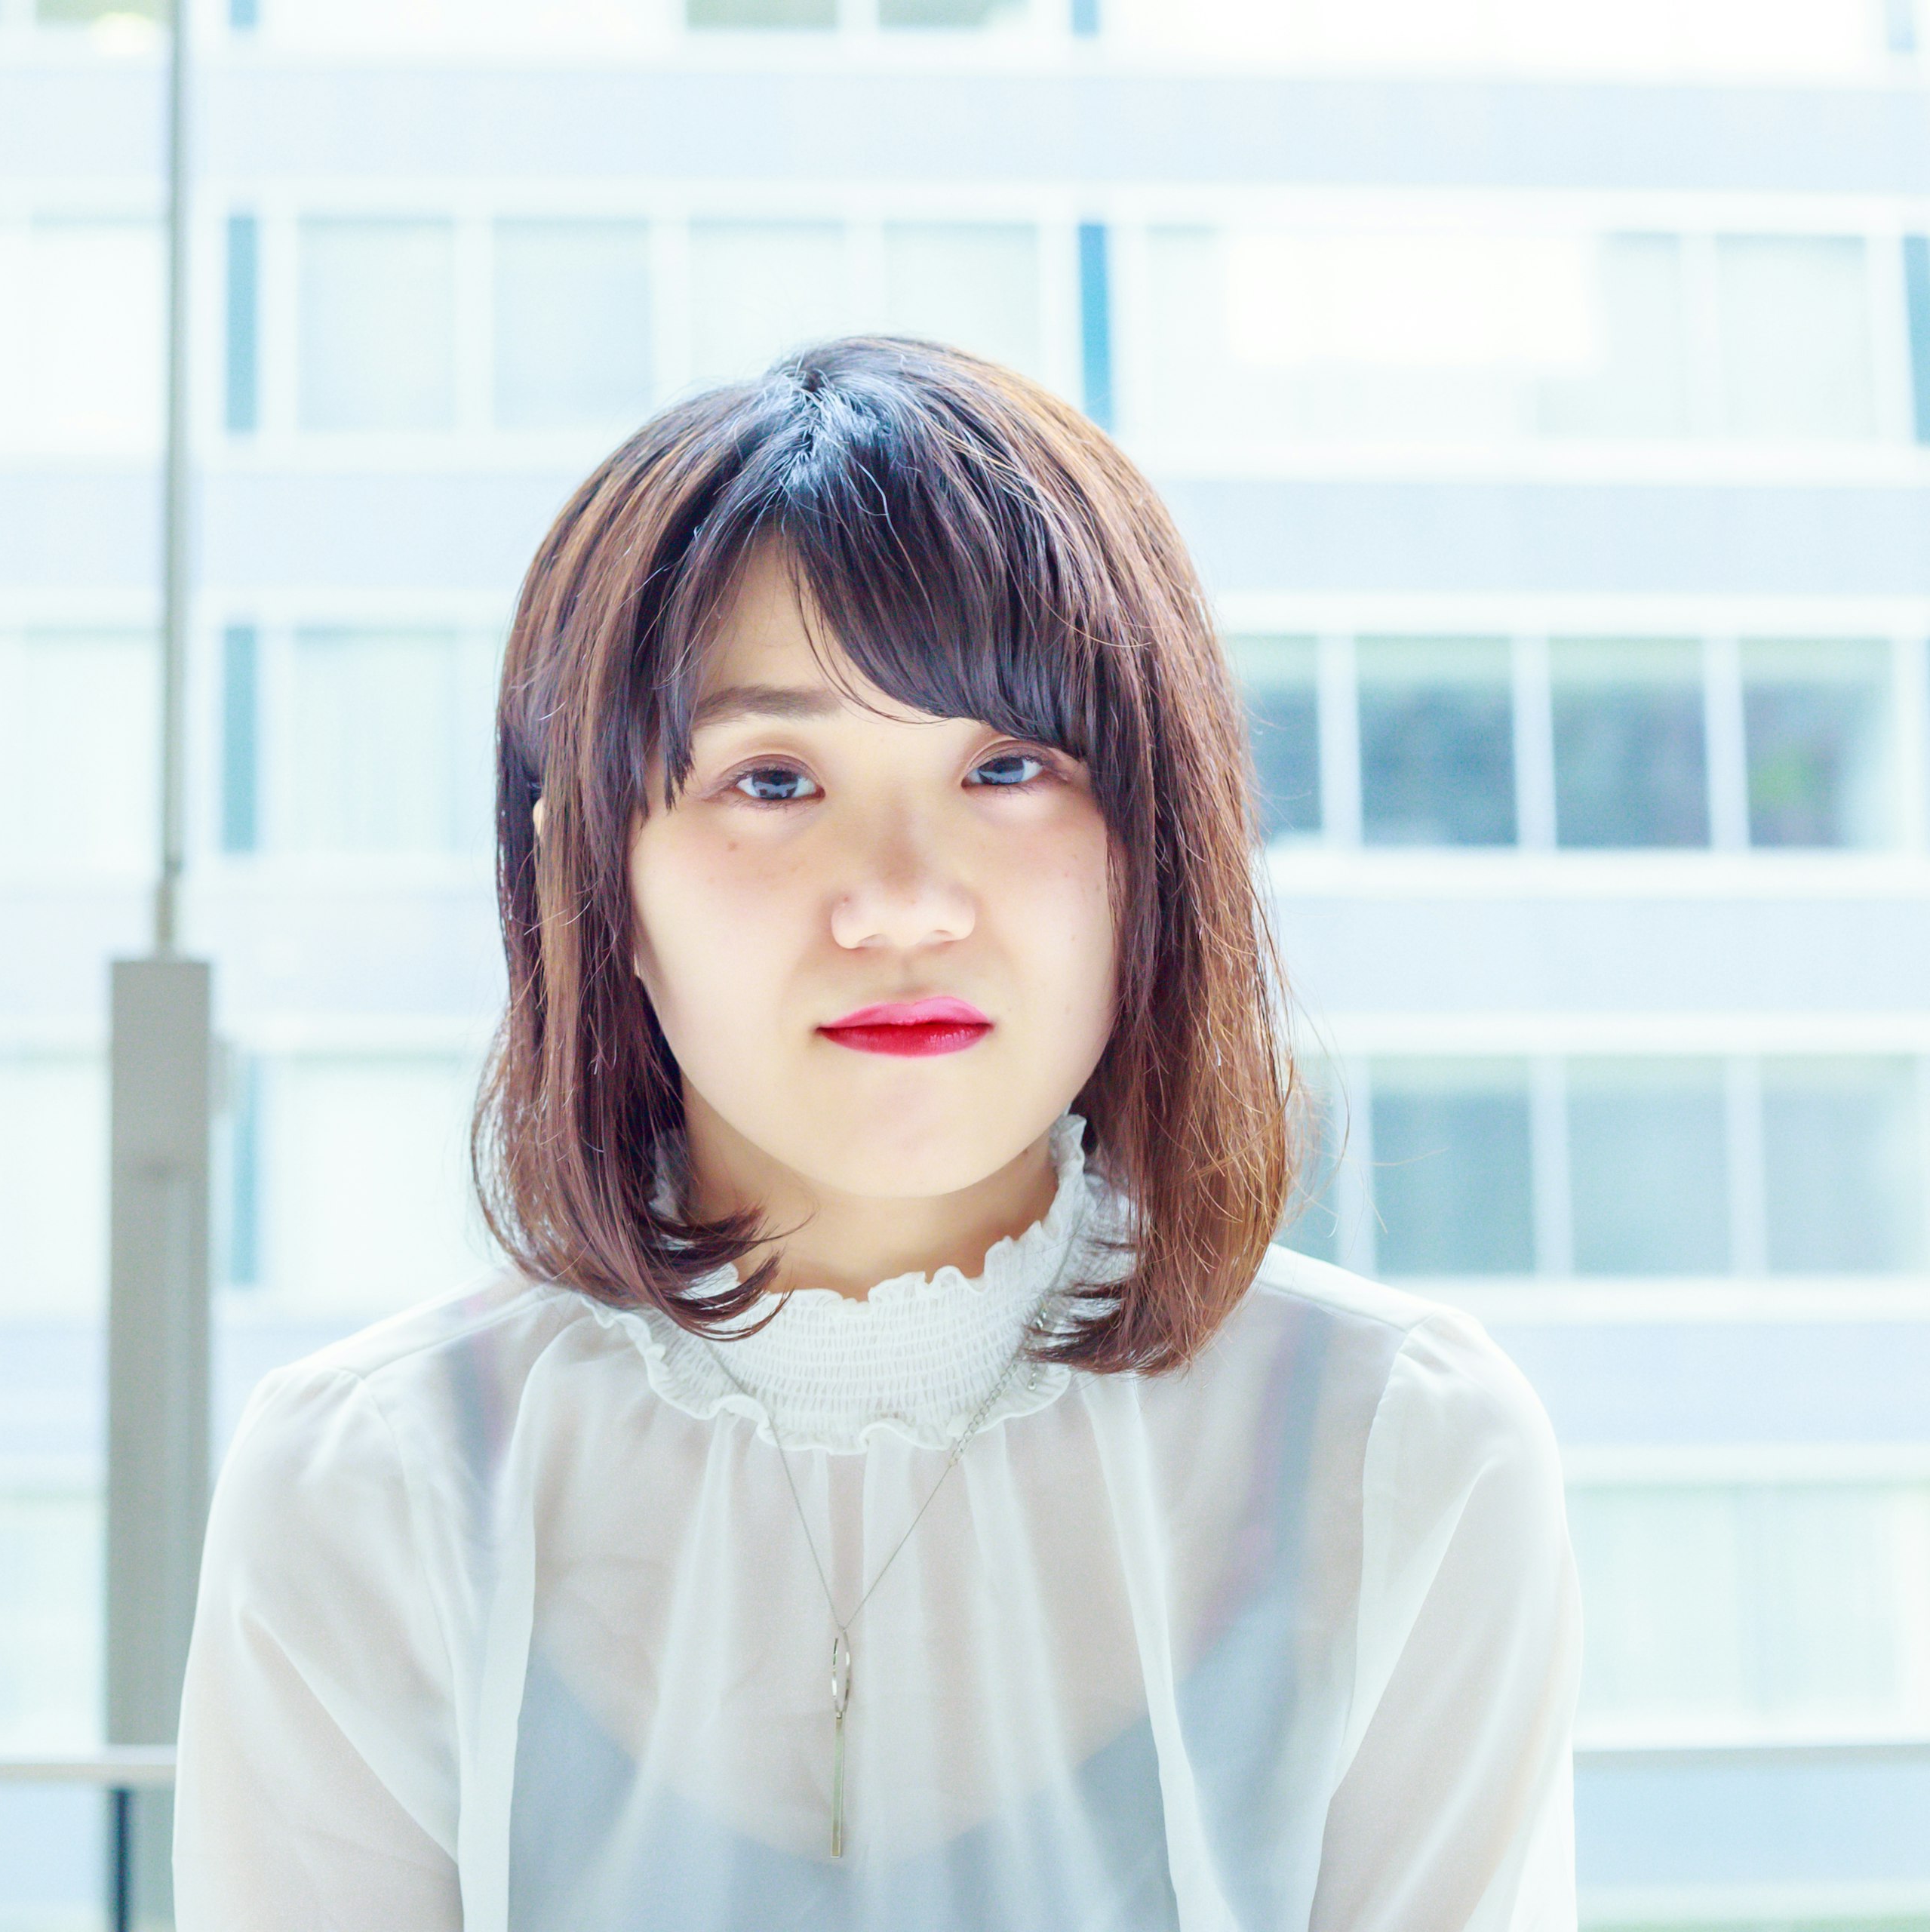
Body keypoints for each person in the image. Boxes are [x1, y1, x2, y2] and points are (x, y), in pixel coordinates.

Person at [171, 335, 1581, 1930]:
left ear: (1157, 841)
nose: (903, 894)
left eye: (1007, 764)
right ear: (596, 881)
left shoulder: (1395, 1448)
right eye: (773, 778)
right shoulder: (375, 1478)